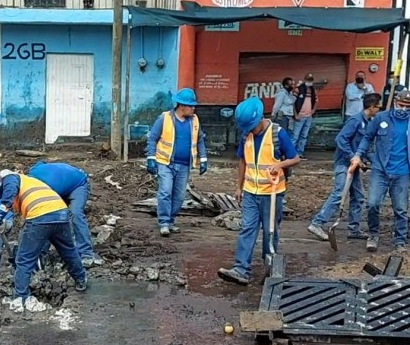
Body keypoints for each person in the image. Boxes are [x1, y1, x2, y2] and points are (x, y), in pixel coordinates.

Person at [218, 98, 301, 286]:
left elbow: (295, 158)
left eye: (252, 127)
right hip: (250, 192)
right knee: (247, 228)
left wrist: (279, 164)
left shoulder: (278, 135)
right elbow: (242, 161)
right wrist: (239, 187)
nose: (250, 130)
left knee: (270, 233)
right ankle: (241, 269)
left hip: (272, 193)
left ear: (261, 119)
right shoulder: (246, 136)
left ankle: (270, 267)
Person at [0, 169, 87, 312]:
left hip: (40, 215)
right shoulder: (31, 183)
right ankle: (81, 280)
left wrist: (0, 213)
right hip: (61, 213)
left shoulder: (10, 177)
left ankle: (21, 296)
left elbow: (10, 190)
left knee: (24, 260)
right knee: (68, 251)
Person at [307, 93, 381, 242]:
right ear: (371, 107)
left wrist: (371, 161)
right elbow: (340, 139)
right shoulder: (355, 121)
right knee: (339, 194)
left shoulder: (368, 123)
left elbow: (364, 147)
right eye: (378, 107)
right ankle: (317, 223)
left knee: (358, 197)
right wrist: (352, 156)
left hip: (353, 167)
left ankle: (353, 229)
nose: (380, 110)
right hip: (344, 164)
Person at [350, 89, 410, 253]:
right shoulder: (381, 118)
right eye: (401, 105)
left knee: (401, 209)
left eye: (407, 107)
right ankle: (373, 234)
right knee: (372, 204)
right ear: (395, 103)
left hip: (402, 172)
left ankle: (399, 241)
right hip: (380, 169)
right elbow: (367, 137)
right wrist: (357, 155)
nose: (403, 109)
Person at [146, 88, 208, 237]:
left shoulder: (194, 120)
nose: (193, 108)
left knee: (179, 196)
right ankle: (164, 222)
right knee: (165, 192)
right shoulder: (165, 118)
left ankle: (171, 220)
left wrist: (203, 158)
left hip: (184, 165)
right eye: (191, 105)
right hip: (165, 162)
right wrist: (151, 158)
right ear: (181, 106)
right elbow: (152, 138)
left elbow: (199, 140)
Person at [28, 161, 104, 267]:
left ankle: (86, 253)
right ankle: (42, 254)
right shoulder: (31, 175)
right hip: (62, 183)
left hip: (78, 184)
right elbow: (41, 162)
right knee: (47, 216)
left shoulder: (45, 187)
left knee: (75, 214)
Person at [291, 73, 317, 158]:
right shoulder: (298, 89)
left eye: (311, 80)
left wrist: (313, 110)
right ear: (305, 80)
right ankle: (291, 153)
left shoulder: (313, 90)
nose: (309, 82)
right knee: (295, 136)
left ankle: (300, 153)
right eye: (308, 80)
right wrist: (295, 115)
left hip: (308, 117)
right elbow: (293, 103)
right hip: (300, 116)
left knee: (304, 136)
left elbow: (316, 101)